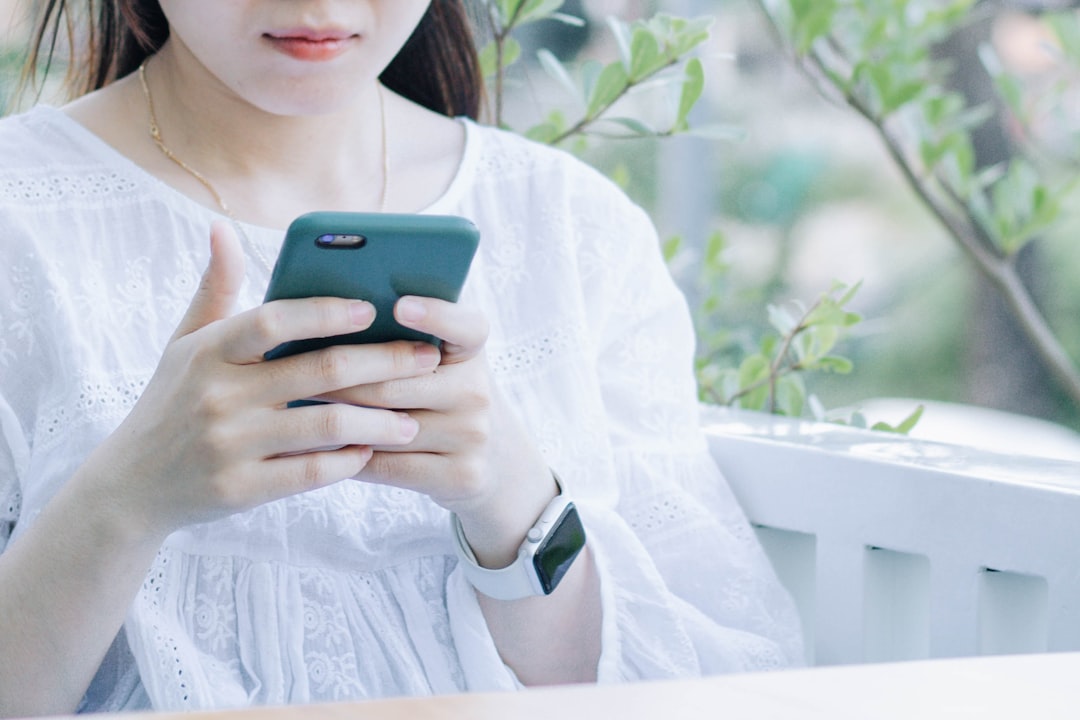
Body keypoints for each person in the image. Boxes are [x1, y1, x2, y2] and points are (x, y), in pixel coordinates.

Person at [0, 0, 803, 715]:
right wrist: (127, 497)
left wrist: (514, 500)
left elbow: (694, 684)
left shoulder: (573, 227)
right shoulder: (19, 218)